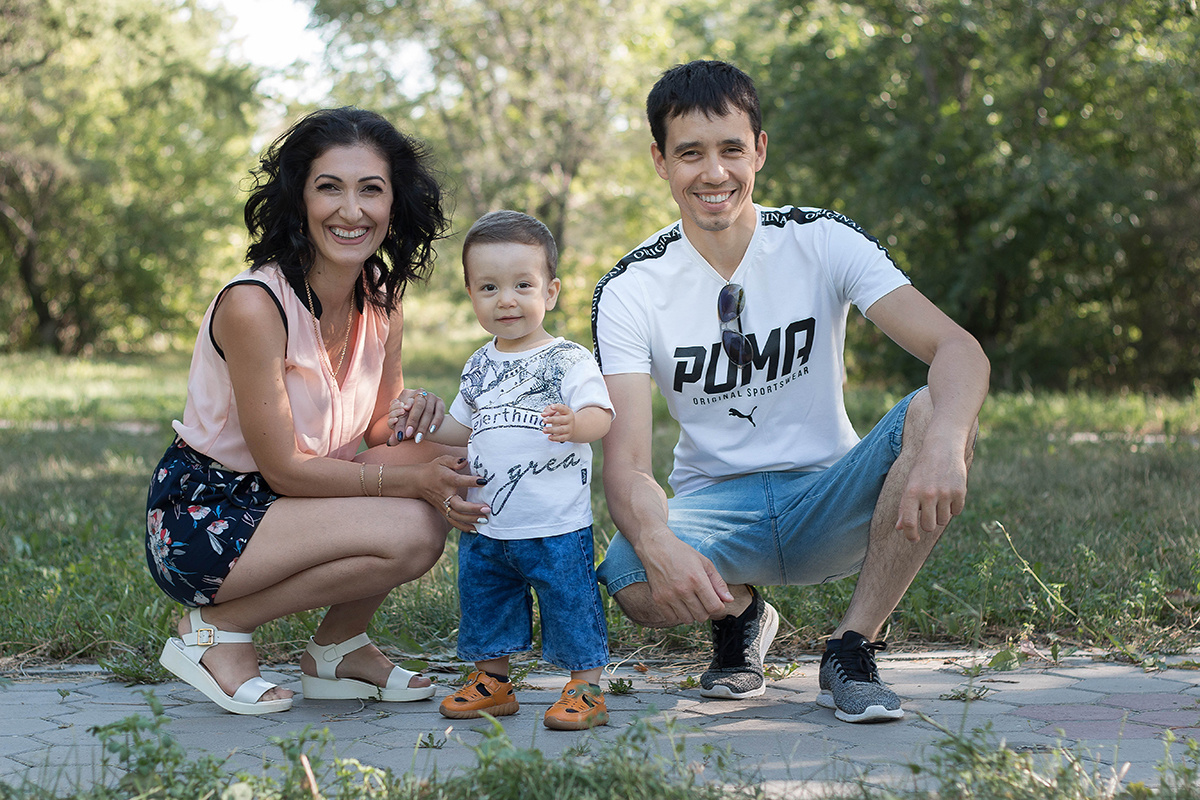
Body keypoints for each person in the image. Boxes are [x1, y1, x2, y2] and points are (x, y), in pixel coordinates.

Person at [591, 61, 990, 723]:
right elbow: (627, 465)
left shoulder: (821, 238)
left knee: (937, 410)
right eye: (690, 153)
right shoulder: (631, 288)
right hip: (719, 510)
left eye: (731, 150)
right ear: (660, 161)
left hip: (830, 495)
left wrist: (946, 445)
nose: (713, 173)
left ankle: (853, 646)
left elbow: (958, 349)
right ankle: (741, 615)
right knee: (630, 572)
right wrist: (657, 541)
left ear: (760, 150)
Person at [145, 107, 484, 715]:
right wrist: (413, 482)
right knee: (413, 528)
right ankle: (215, 632)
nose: (351, 211)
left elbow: (379, 431)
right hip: (212, 513)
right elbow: (283, 469)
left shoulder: (382, 298)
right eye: (329, 188)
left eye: (370, 190)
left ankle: (337, 649)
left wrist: (416, 416)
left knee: (448, 456)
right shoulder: (254, 305)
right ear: (298, 198)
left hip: (299, 502)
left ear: (394, 203)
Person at [393, 211, 614, 731]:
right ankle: (493, 682)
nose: (506, 300)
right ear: (471, 295)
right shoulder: (479, 364)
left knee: (569, 604)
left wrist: (575, 424)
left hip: (555, 524)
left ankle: (585, 687)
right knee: (487, 601)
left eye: (523, 285)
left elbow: (602, 415)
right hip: (489, 521)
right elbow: (463, 429)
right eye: (489, 287)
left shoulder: (568, 360)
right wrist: (424, 421)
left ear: (551, 292)